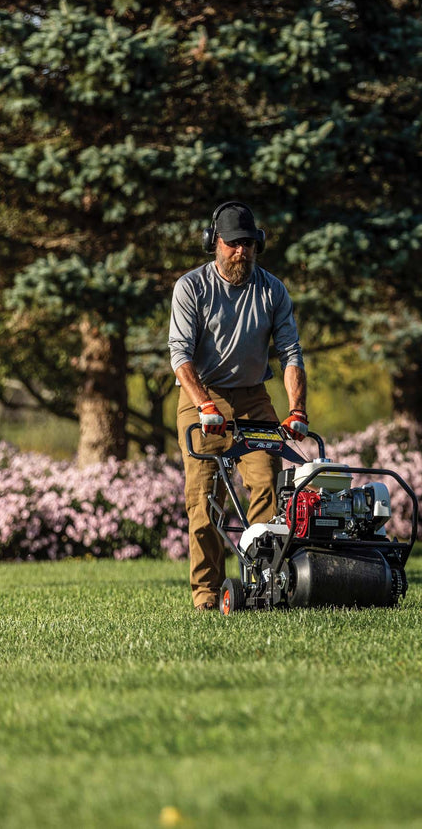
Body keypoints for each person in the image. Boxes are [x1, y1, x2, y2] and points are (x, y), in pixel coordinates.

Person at [169, 201, 309, 611]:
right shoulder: (191, 287)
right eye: (233, 244)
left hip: (253, 399)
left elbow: (290, 353)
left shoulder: (272, 289)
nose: (241, 252)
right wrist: (204, 405)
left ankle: (262, 583)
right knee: (204, 497)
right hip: (202, 397)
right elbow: (180, 355)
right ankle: (207, 594)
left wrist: (297, 409)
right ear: (214, 243)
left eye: (248, 244)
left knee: (267, 482)